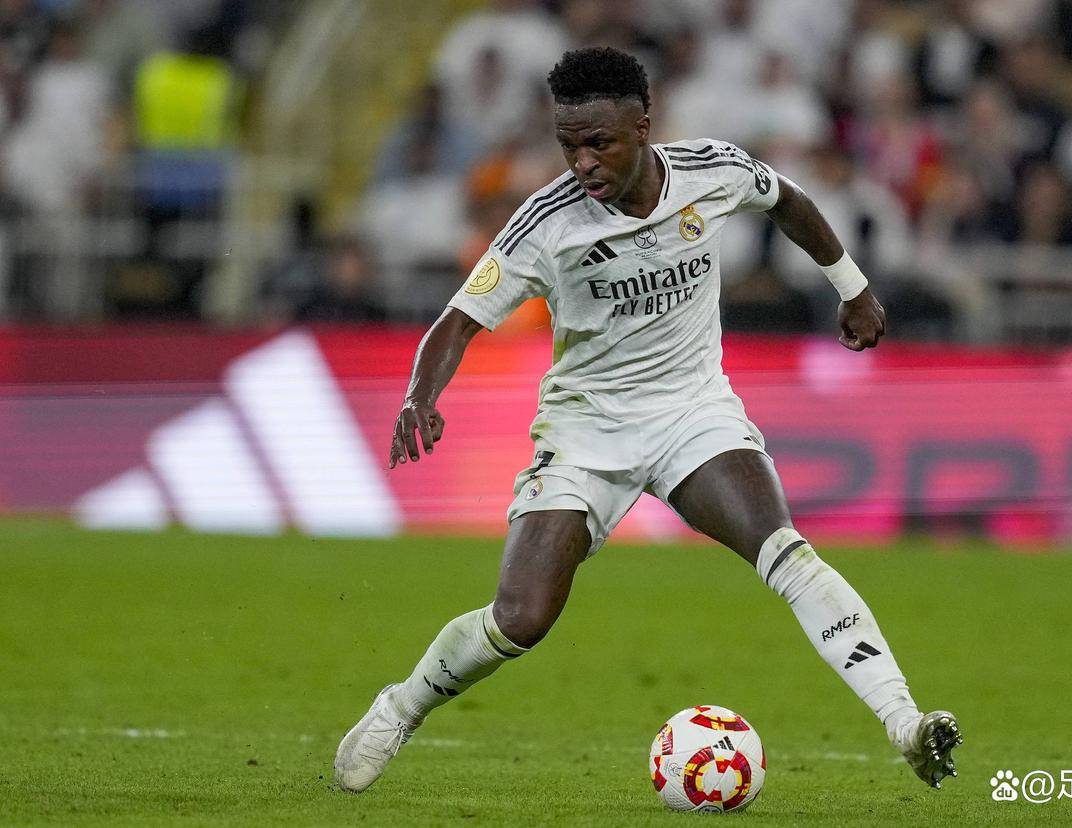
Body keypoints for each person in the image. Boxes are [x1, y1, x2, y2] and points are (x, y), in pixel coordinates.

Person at [333, 47, 962, 794]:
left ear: (642, 126)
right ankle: (400, 707)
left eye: (599, 143)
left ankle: (905, 723)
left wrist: (852, 287)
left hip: (693, 412)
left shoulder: (711, 170)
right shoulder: (545, 223)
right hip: (585, 432)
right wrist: (419, 395)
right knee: (521, 618)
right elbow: (458, 320)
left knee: (786, 552)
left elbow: (788, 200)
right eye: (569, 146)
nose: (583, 163)